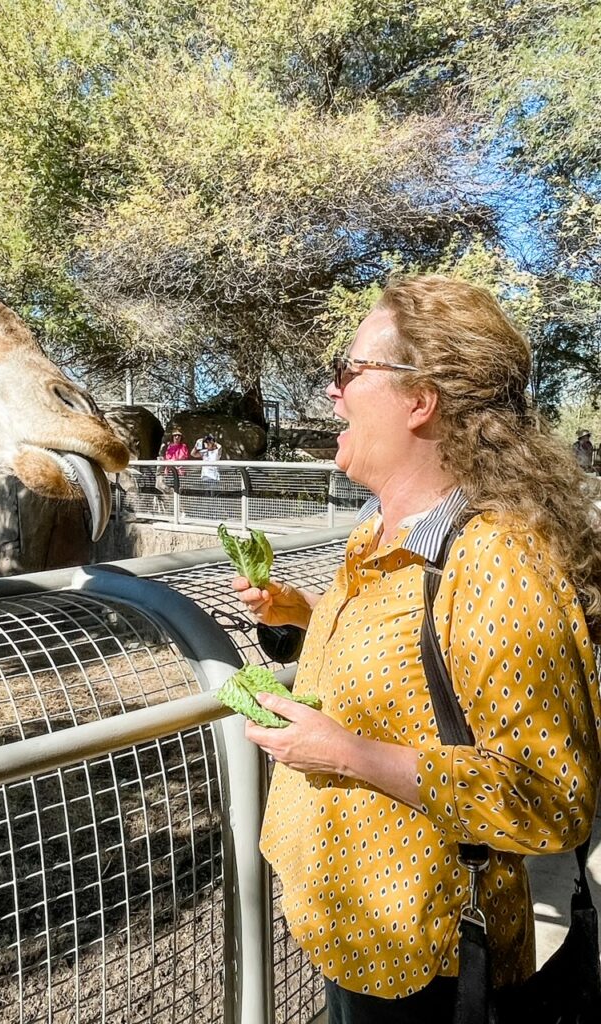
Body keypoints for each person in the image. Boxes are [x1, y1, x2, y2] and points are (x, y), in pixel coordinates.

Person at [231, 274, 601, 1022]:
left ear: (419, 399)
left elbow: (553, 798)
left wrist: (346, 755)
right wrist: (301, 616)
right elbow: (415, 660)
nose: (333, 394)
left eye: (348, 371)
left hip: (429, 965)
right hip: (350, 931)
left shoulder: (499, 562)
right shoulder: (380, 528)